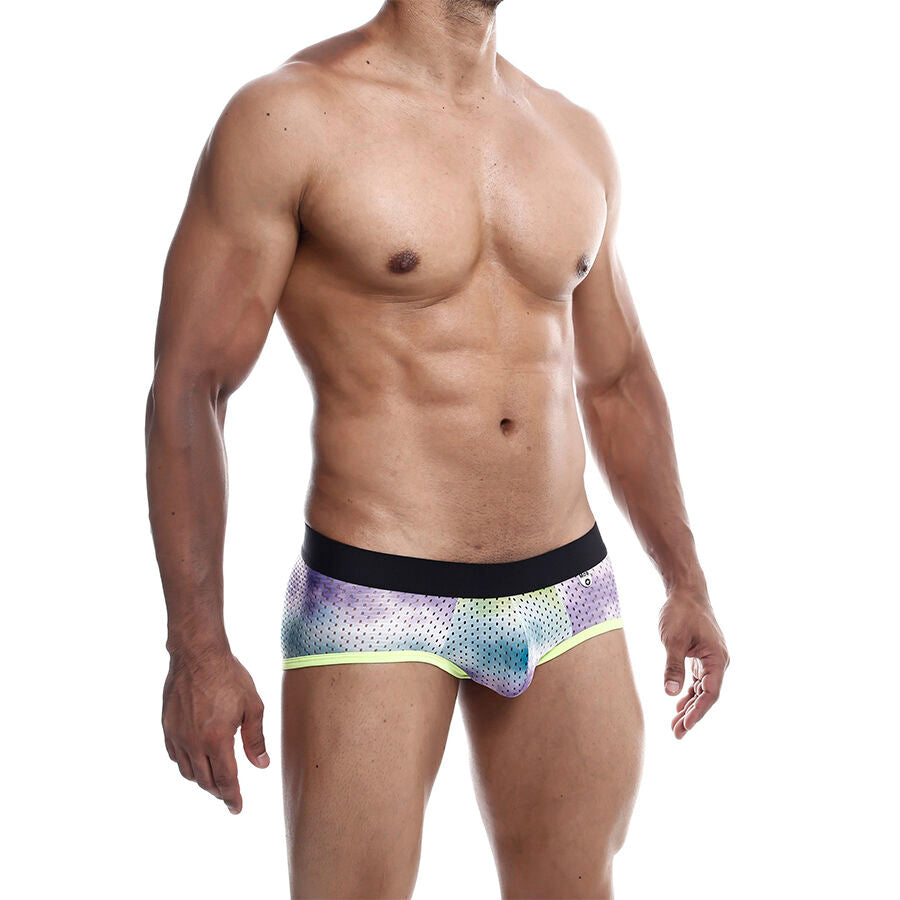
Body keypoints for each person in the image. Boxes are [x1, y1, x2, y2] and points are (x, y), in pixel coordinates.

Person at [145, 1, 729, 896]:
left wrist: (686, 579)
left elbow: (616, 379)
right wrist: (196, 646)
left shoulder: (571, 135)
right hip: (377, 594)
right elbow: (192, 384)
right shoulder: (289, 118)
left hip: (569, 591)